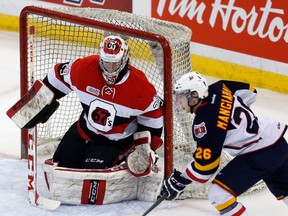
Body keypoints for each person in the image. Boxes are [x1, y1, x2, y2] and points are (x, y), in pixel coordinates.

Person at [161, 71, 288, 215]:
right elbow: (251, 91)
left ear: (194, 97)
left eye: (181, 98)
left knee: (219, 195)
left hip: (258, 154)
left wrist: (182, 179)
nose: (179, 103)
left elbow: (206, 168)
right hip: (278, 142)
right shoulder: (219, 87)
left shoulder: (204, 122)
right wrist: (232, 119)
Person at [40, 35, 164, 173]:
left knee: (92, 175)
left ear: (125, 59)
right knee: (59, 168)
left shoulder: (140, 87)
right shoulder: (84, 68)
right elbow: (58, 75)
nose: (110, 67)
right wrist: (40, 100)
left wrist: (145, 147)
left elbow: (154, 116)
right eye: (106, 62)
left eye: (115, 63)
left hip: (114, 142)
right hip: (83, 131)